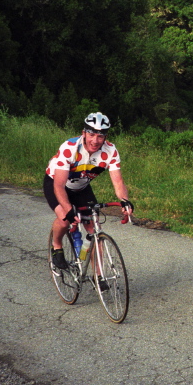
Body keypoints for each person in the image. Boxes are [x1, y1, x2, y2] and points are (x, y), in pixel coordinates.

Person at [45, 112, 133, 270]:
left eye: (100, 136)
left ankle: (97, 275)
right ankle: (56, 245)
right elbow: (58, 186)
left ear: (105, 137)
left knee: (93, 230)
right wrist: (67, 209)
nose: (95, 140)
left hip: (81, 187)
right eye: (91, 134)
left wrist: (125, 201)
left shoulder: (110, 151)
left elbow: (118, 181)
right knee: (65, 219)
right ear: (84, 133)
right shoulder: (69, 148)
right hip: (56, 184)